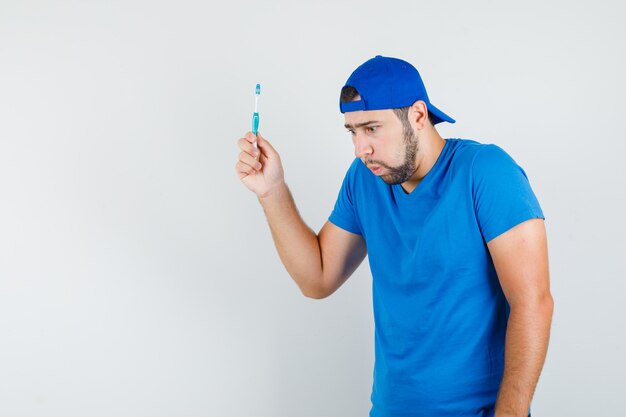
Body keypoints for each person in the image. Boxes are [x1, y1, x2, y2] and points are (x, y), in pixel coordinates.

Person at [235, 55, 553, 417]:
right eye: (353, 132)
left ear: (418, 115)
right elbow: (317, 278)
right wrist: (272, 191)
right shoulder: (364, 179)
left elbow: (533, 303)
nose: (360, 148)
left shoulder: (486, 172)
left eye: (372, 128)